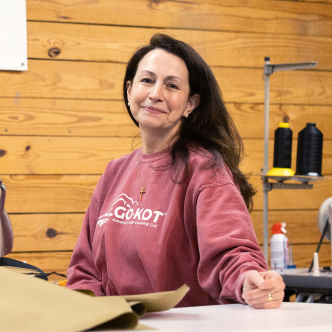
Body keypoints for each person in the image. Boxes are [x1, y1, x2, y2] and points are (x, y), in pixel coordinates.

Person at [66, 34, 285, 309]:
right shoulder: (114, 172)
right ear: (129, 90)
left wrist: (248, 279)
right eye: (147, 81)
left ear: (190, 104)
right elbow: (84, 270)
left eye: (171, 86)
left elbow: (231, 250)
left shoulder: (205, 169)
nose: (155, 94)